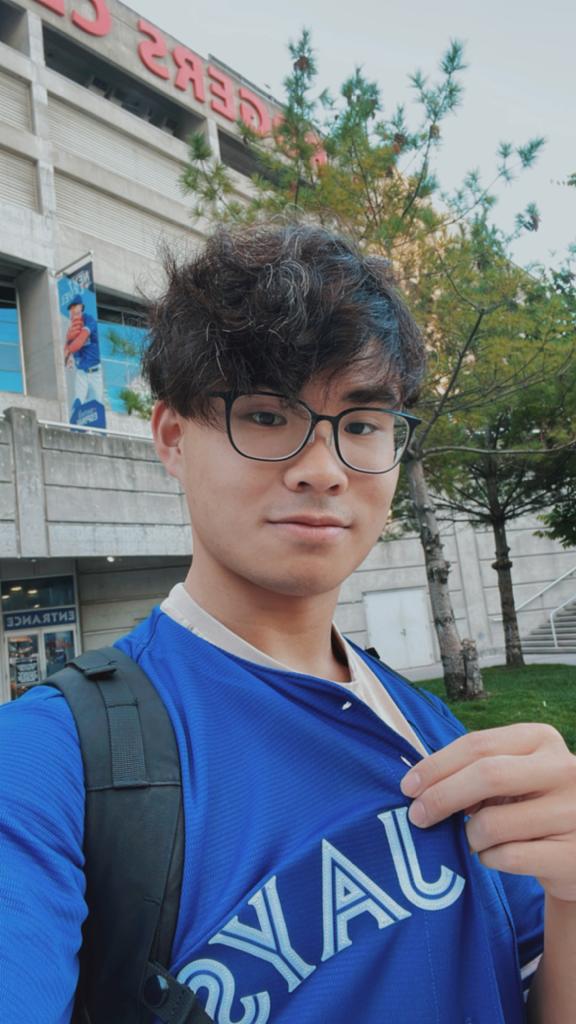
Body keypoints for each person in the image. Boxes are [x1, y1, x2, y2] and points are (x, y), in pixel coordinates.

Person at [1, 224, 575, 1023]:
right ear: (172, 437)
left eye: (363, 423)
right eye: (268, 415)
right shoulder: (46, 763)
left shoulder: (435, 734)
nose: (324, 468)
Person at [64, 294, 104, 421]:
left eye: (75, 306)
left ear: (81, 307)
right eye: (71, 308)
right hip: (81, 371)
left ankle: (101, 432)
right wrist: (67, 357)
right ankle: (75, 425)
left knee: (98, 402)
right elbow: (67, 349)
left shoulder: (89, 320)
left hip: (95, 370)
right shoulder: (72, 329)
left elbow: (81, 340)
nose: (73, 310)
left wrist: (69, 350)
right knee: (78, 400)